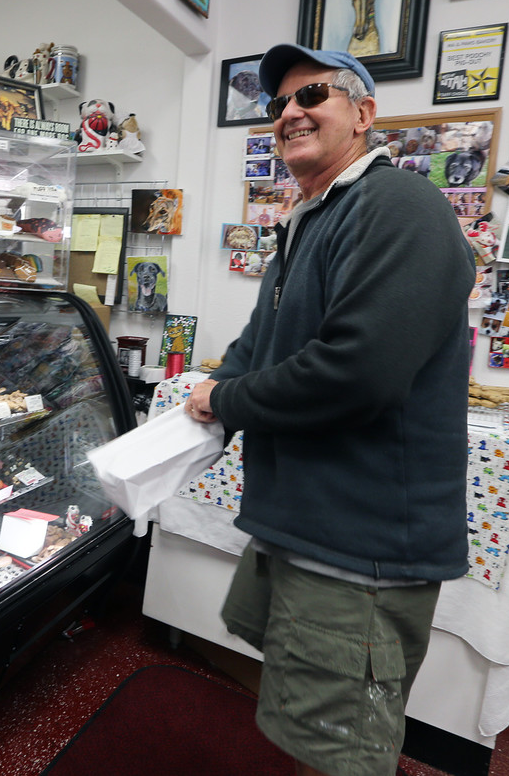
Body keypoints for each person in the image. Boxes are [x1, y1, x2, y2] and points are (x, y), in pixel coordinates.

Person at [185, 44, 475, 776]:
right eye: (277, 103)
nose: (289, 112)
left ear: (365, 113)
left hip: (359, 546)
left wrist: (225, 398)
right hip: (305, 525)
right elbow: (262, 344)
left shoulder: (399, 205)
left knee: (336, 748)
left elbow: (356, 375)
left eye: (311, 93)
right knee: (299, 721)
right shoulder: (311, 217)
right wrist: (203, 397)